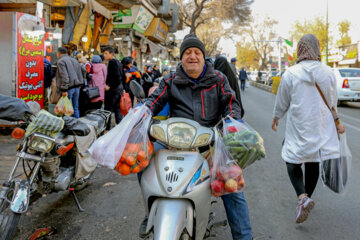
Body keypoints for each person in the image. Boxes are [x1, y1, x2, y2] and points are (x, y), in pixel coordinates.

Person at [144, 34, 252, 240]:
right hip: (174, 144)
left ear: (204, 57)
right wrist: (139, 115)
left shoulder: (218, 80)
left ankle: (244, 236)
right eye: (187, 53)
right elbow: (154, 101)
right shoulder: (169, 81)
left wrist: (231, 123)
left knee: (233, 189)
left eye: (196, 52)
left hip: (210, 145)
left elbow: (232, 103)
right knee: (144, 163)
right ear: (181, 58)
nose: (192, 56)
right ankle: (149, 214)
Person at [272, 34, 345, 224]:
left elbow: (282, 100)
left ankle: (302, 197)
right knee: (313, 160)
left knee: (291, 158)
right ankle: (305, 198)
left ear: (300, 49)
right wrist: (336, 121)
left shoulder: (291, 73)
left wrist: (276, 116)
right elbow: (332, 101)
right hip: (321, 125)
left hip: (298, 125)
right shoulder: (329, 72)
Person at [56, 47, 84, 118]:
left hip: (68, 89)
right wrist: (80, 83)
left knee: (65, 109)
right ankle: (77, 127)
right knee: (75, 108)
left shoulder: (61, 61)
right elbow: (80, 73)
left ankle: (66, 127)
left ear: (58, 54)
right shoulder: (74, 60)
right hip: (77, 87)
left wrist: (64, 89)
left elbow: (64, 76)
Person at [103, 47, 126, 130]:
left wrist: (109, 86)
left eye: (106, 53)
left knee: (107, 109)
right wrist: (123, 88)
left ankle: (107, 127)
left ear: (111, 54)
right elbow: (123, 76)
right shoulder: (118, 62)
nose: (104, 55)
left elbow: (117, 76)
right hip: (119, 88)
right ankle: (120, 126)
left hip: (113, 90)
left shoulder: (112, 62)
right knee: (117, 108)